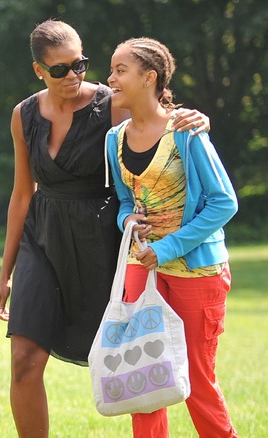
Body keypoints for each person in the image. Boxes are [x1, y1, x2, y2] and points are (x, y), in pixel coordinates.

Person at [0, 20, 210, 437]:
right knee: (23, 361)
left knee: (132, 356)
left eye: (80, 64)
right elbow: (22, 195)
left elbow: (161, 116)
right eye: (60, 69)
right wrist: (6, 273)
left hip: (102, 239)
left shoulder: (111, 104)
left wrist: (196, 118)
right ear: (39, 70)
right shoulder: (23, 116)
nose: (74, 76)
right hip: (43, 237)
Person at [105, 37, 239, 438]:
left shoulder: (186, 131)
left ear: (149, 78)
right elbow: (125, 201)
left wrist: (165, 249)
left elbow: (223, 202)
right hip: (139, 268)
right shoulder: (115, 140)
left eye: (119, 70)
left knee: (197, 382)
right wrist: (129, 220)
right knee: (142, 379)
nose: (110, 78)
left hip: (195, 270)